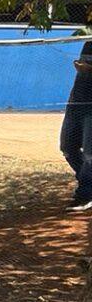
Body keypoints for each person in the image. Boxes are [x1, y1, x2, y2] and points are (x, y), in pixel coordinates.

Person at [60, 37, 92, 210]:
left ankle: (85, 194)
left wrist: (88, 69)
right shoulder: (88, 43)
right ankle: (88, 185)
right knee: (67, 147)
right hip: (75, 103)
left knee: (89, 154)